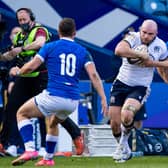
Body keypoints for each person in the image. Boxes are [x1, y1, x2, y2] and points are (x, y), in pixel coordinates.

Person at [11, 17, 107, 166]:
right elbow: (94, 75)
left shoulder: (50, 47)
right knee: (53, 122)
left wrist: (18, 72)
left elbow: (31, 66)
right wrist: (103, 98)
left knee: (22, 113)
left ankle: (30, 149)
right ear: (74, 33)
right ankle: (48, 159)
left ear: (59, 32)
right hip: (72, 101)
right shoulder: (83, 51)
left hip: (53, 95)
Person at [0, 8, 84, 157]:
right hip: (25, 77)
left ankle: (76, 135)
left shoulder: (39, 30)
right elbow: (10, 55)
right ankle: (2, 143)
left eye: (24, 19)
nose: (22, 23)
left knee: (52, 111)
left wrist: (21, 49)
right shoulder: (19, 36)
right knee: (11, 107)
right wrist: (7, 57)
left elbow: (40, 43)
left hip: (41, 76)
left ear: (31, 18)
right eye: (19, 20)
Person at [107, 19, 168, 162]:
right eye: (144, 32)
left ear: (156, 34)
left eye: (150, 34)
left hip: (140, 86)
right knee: (114, 124)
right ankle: (125, 149)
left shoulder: (160, 45)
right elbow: (118, 50)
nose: (146, 36)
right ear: (140, 30)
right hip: (121, 83)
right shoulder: (132, 38)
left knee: (127, 115)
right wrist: (140, 55)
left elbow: (166, 62)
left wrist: (151, 63)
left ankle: (121, 146)